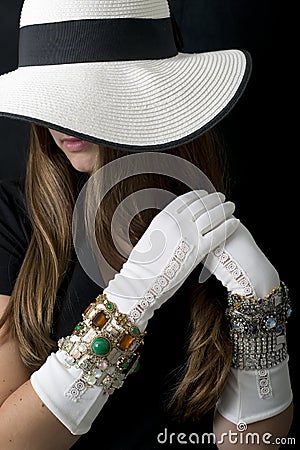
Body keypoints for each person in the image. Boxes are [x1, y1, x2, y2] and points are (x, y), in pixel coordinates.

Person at [0, 0, 293, 449]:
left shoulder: (219, 219)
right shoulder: (12, 217)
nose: (60, 120)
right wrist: (126, 304)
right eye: (52, 96)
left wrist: (261, 309)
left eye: (88, 92)